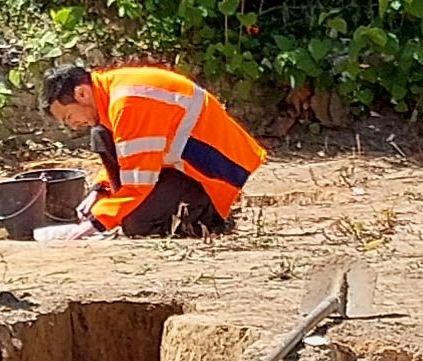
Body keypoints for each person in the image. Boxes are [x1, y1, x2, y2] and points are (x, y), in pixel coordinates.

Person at [43, 60, 262, 237]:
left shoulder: (128, 102)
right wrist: (101, 191)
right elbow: (130, 155)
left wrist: (99, 221)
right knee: (100, 134)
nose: (72, 125)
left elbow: (139, 181)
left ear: (82, 94)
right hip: (182, 169)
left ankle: (210, 217)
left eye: (68, 116)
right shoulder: (113, 92)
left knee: (136, 223)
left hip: (217, 178)